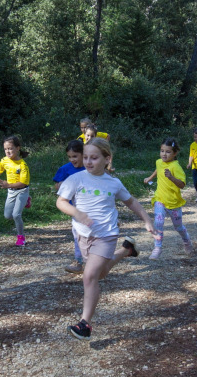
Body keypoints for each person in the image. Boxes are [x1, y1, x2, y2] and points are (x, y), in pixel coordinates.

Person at [57, 138, 158, 340]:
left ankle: (85, 324)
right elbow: (61, 202)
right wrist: (77, 214)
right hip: (83, 235)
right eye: (86, 157)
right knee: (99, 274)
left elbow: (132, 202)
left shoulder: (113, 183)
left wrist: (147, 220)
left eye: (94, 158)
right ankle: (126, 250)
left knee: (89, 276)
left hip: (106, 235)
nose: (88, 161)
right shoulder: (76, 179)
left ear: (107, 159)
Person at [142, 138, 193, 259]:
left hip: (174, 202)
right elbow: (158, 169)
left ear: (174, 153)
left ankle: (187, 241)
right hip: (160, 199)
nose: (164, 154)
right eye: (162, 151)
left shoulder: (176, 167)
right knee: (158, 222)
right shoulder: (159, 162)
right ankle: (157, 247)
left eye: (168, 152)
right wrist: (150, 178)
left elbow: (182, 184)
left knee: (178, 227)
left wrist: (171, 178)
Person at [0, 135, 31, 246]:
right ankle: (27, 200)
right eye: (5, 149)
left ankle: (21, 238)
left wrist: (8, 185)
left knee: (16, 215)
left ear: (18, 148)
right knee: (8, 216)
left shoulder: (23, 165)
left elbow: (24, 183)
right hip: (11, 191)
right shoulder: (4, 161)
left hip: (22, 190)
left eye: (10, 148)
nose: (8, 151)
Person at [53, 140, 87, 273]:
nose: (72, 159)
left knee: (91, 235)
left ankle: (93, 260)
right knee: (77, 234)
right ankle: (79, 262)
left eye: (75, 156)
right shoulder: (65, 169)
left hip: (91, 207)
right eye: (69, 156)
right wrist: (62, 185)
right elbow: (57, 186)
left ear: (83, 154)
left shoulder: (90, 167)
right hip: (75, 209)